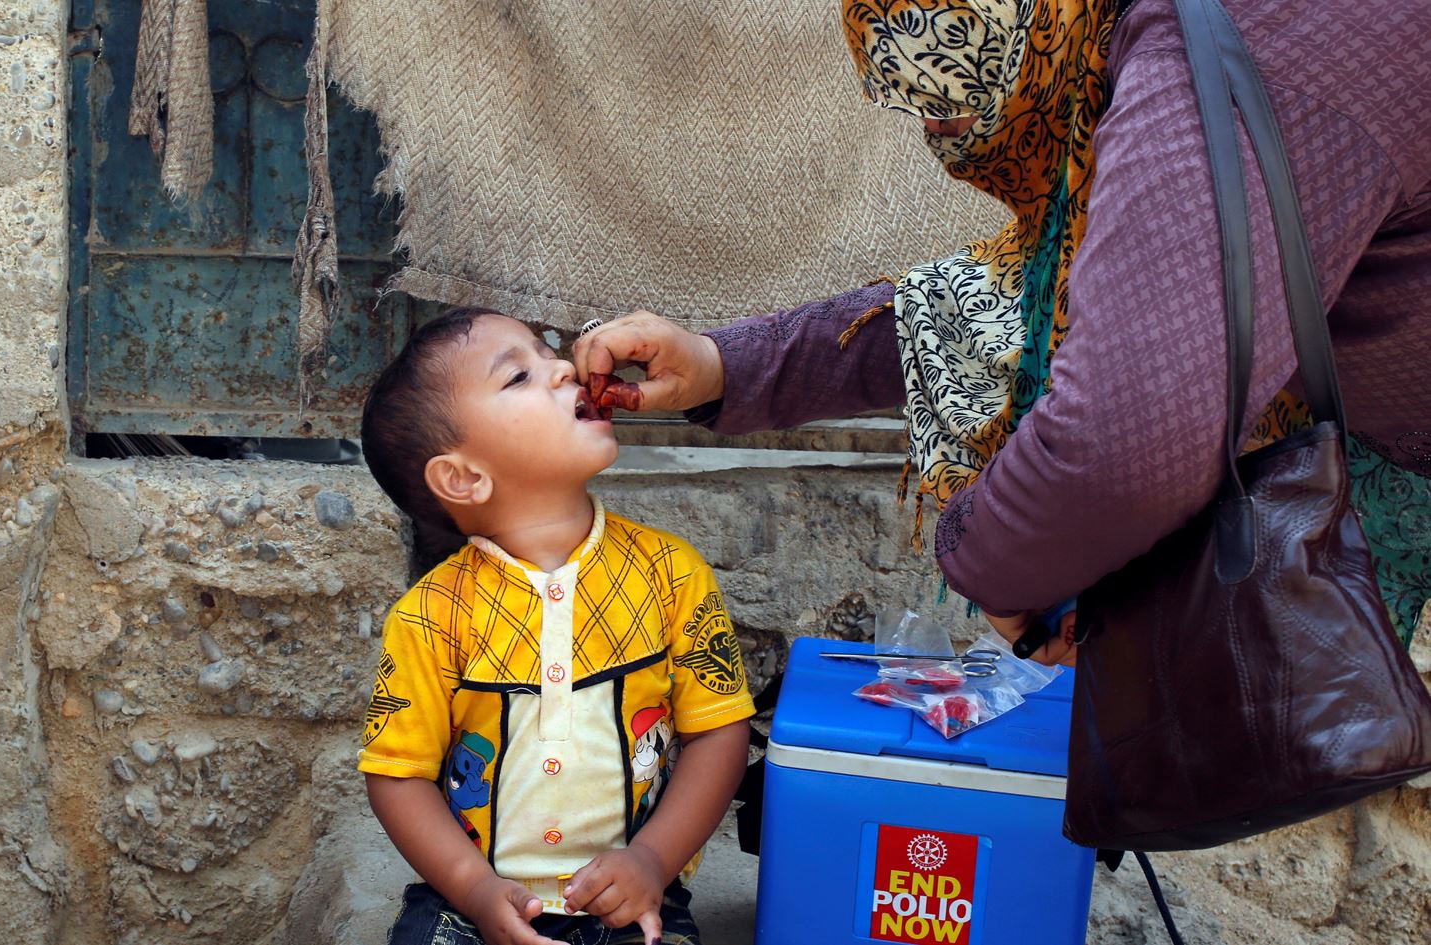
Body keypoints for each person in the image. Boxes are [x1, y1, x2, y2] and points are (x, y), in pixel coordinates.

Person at [573, 0, 1431, 662]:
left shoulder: (1227, 58)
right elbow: (996, 303)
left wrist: (991, 559)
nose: (953, 152)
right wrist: (723, 366)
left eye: (959, 113)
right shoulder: (1137, 52)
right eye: (919, 113)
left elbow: (1124, 440)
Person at [357, 307, 755, 945]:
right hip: (470, 909)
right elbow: (396, 774)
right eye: (518, 376)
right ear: (462, 477)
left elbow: (720, 733)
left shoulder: (671, 574)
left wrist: (652, 861)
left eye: (549, 353)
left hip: (632, 904)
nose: (565, 367)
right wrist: (475, 889)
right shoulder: (430, 615)